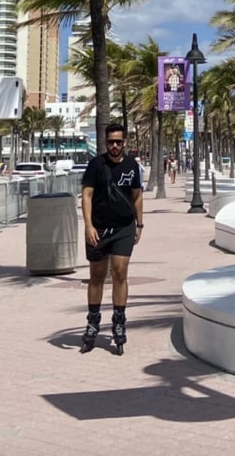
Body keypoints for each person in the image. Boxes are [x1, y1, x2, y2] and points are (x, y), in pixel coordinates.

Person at [79, 122, 143, 355]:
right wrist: (88, 225)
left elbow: (137, 196)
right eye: (110, 142)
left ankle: (118, 321)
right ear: (105, 143)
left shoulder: (131, 166)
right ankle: (93, 322)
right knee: (96, 276)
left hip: (124, 227)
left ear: (124, 142)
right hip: (98, 228)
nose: (115, 146)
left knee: (120, 272)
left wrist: (140, 224)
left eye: (118, 142)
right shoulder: (96, 165)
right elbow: (86, 195)